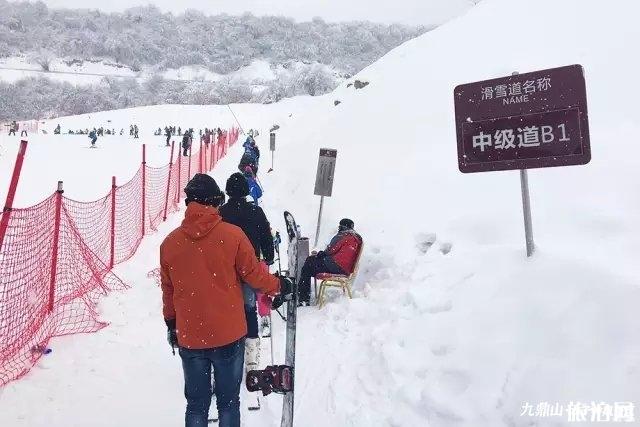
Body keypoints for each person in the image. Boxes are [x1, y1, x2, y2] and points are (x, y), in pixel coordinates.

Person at [160, 174, 291, 427]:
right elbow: (254, 276)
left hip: (191, 336)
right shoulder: (232, 236)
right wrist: (279, 285)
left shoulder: (170, 244)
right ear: (214, 201)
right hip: (228, 335)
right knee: (228, 402)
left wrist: (171, 324)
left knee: (196, 405)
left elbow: (168, 292)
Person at [219, 173, 275, 376]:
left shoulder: (220, 213)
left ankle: (226, 354)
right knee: (249, 309)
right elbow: (266, 238)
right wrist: (268, 258)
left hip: (224, 270)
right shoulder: (255, 211)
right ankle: (251, 360)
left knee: (226, 310)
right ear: (246, 191)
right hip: (249, 270)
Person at [297, 218, 362, 306]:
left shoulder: (343, 235)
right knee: (312, 262)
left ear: (342, 226)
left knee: (309, 263)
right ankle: (304, 297)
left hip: (334, 266)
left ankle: (303, 299)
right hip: (345, 269)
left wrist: (320, 254)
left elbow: (330, 250)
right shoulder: (356, 238)